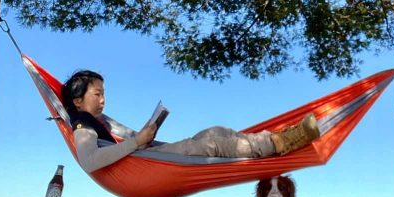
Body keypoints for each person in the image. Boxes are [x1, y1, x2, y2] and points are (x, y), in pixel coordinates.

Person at [62, 69, 320, 173]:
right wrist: (136, 143)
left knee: (215, 131)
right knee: (213, 146)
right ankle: (279, 143)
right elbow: (89, 161)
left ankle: (265, 142)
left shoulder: (96, 120)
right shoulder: (82, 122)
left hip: (145, 157)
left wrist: (140, 138)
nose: (103, 100)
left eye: (104, 94)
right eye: (97, 94)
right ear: (77, 100)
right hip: (144, 167)